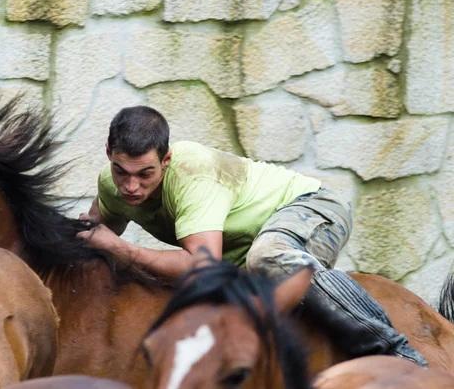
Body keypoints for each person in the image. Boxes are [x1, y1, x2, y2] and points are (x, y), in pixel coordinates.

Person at [76, 105, 428, 367]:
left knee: (268, 257)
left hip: (315, 208)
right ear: (109, 155)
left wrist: (121, 248)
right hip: (240, 255)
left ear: (166, 160)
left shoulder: (192, 173)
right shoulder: (111, 185)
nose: (131, 186)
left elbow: (202, 266)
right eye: (121, 171)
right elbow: (92, 239)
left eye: (145, 174)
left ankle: (397, 350)